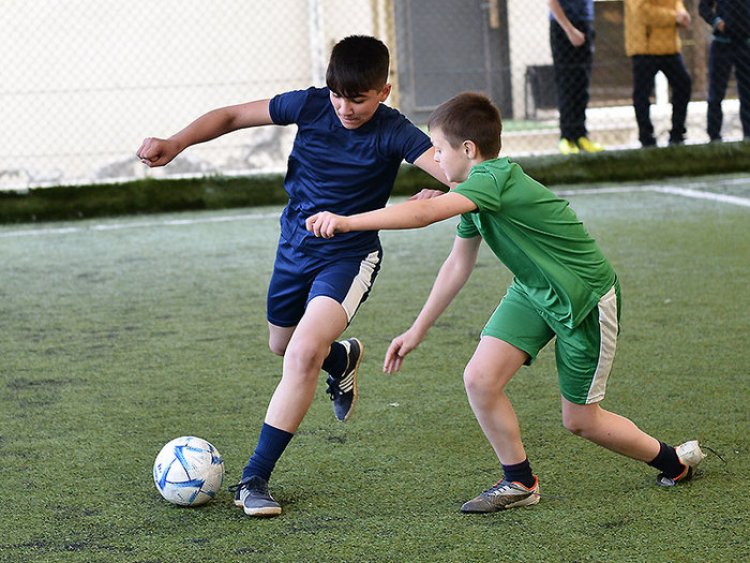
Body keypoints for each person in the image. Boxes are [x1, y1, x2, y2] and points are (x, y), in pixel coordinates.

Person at [306, 92, 705, 513]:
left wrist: (347, 221)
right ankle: (519, 482)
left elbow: (423, 217)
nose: (434, 160)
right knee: (479, 379)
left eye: (438, 150)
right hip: (534, 291)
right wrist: (416, 329)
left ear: (468, 150)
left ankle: (672, 462)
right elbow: (457, 264)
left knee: (581, 421)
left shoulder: (492, 179)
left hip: (582, 297)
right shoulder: (473, 191)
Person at [136, 35, 450, 518]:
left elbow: (460, 173)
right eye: (338, 95)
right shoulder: (309, 104)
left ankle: (253, 479)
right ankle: (340, 359)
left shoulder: (395, 131)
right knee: (282, 346)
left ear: (383, 92)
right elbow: (233, 116)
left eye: (358, 99)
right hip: (294, 247)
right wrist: (176, 142)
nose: (345, 107)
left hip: (349, 256)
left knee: (302, 351)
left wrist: (431, 198)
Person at [624, 0, 693, 147]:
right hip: (644, 47)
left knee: (683, 83)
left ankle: (677, 133)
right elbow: (642, 11)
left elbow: (676, 3)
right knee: (642, 93)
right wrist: (674, 17)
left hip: (670, 46)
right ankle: (646, 137)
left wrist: (682, 14)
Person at [548, 0, 604, 154]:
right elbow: (552, 2)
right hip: (563, 27)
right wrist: (569, 30)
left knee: (582, 84)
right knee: (566, 82)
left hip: (585, 23)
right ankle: (566, 137)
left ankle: (581, 135)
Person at [698, 0, 750, 142]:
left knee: (747, 93)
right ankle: (714, 136)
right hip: (722, 43)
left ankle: (748, 135)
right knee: (716, 93)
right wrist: (717, 22)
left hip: (746, 43)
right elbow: (703, 7)